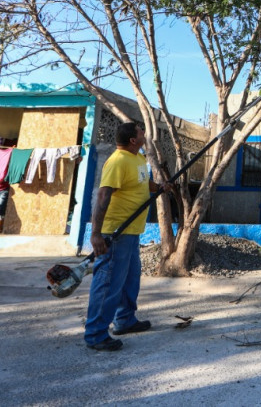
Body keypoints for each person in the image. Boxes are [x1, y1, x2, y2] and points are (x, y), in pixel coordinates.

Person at [84, 122, 170, 352]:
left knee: (130, 279)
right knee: (108, 282)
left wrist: (159, 187)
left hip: (132, 232)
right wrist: (96, 234)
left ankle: (125, 320)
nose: (144, 134)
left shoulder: (138, 158)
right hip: (116, 232)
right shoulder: (118, 161)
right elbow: (103, 196)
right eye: (141, 131)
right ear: (133, 139)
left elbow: (143, 184)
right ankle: (95, 334)